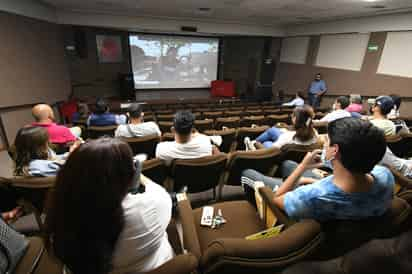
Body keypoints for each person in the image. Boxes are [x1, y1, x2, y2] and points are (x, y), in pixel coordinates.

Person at [46, 138, 174, 274]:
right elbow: (158, 191)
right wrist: (138, 176)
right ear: (129, 175)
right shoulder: (151, 205)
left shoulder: (61, 213)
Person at [243, 118, 393, 221]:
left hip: (298, 207)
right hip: (344, 199)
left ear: (335, 151)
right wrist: (310, 180)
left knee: (248, 173)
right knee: (288, 164)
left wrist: (302, 167)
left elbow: (277, 199)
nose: (323, 144)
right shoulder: (385, 175)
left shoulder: (311, 198)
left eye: (327, 141)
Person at [245, 105, 319, 150]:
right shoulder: (314, 133)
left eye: (293, 115)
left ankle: (253, 143)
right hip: (294, 147)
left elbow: (273, 152)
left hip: (280, 151)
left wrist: (257, 144)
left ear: (295, 119)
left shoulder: (287, 136)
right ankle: (253, 141)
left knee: (267, 142)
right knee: (272, 130)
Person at [13, 126, 78, 177]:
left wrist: (69, 153)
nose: (50, 142)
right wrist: (74, 153)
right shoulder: (47, 167)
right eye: (47, 141)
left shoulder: (23, 166)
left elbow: (54, 159)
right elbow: (71, 168)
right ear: (41, 147)